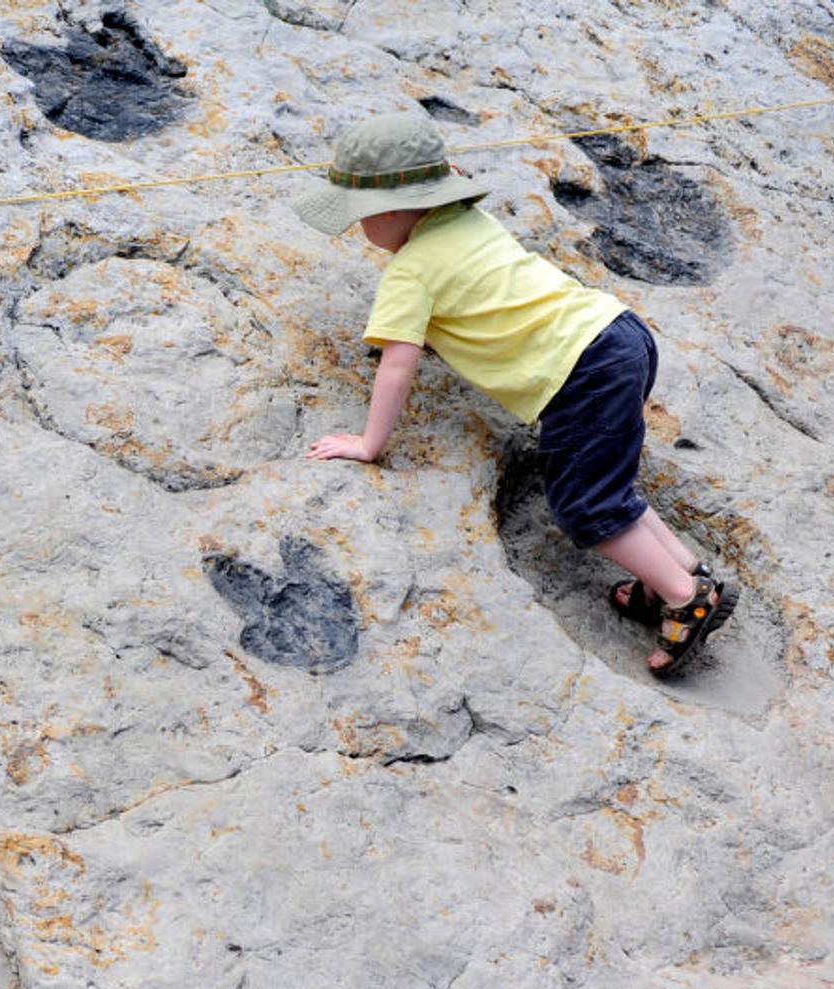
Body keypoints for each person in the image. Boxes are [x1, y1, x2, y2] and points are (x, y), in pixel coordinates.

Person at [293, 111, 737, 676]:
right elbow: (475, 293)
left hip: (579, 373)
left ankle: (683, 598)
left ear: (396, 211)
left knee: (585, 504)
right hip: (619, 334)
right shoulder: (468, 220)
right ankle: (689, 577)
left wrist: (368, 442)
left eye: (362, 219)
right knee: (612, 483)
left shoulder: (409, 273)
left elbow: (397, 366)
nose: (361, 233)